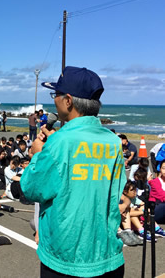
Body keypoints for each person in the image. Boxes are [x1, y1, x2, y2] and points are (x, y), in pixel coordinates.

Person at [20, 66, 126, 277]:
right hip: (105, 253)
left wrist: (37, 154)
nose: (54, 100)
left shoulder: (59, 141)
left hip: (65, 258)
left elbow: (31, 189)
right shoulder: (113, 142)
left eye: (56, 95)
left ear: (68, 100)